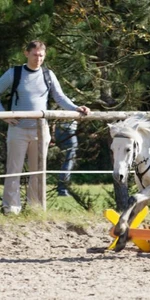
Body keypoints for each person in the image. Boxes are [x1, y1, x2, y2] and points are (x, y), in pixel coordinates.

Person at [0, 40, 90, 215]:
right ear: (26, 54)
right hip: (17, 129)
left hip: (41, 131)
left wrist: (77, 108)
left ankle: (35, 208)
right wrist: (5, 116)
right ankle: (11, 208)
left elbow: (60, 97)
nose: (38, 58)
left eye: (41, 55)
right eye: (34, 54)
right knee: (14, 169)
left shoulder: (48, 75)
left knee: (38, 170)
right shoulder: (14, 73)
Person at [53, 119, 78, 196]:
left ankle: (62, 188)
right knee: (68, 162)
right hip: (68, 131)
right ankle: (62, 189)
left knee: (66, 161)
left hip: (59, 130)